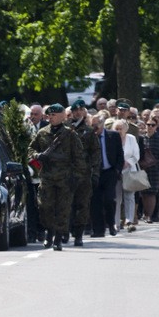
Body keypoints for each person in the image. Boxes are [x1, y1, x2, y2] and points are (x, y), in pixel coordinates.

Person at [28, 103, 85, 249]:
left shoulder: (70, 134)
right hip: (46, 176)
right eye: (49, 115)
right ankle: (49, 231)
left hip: (65, 178)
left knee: (63, 209)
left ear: (62, 116)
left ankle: (58, 238)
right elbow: (30, 149)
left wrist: (77, 178)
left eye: (54, 115)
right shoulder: (42, 132)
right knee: (44, 207)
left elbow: (79, 158)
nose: (51, 118)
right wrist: (37, 155)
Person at [67, 99, 100, 246]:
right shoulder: (65, 129)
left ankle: (79, 234)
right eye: (75, 110)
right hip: (66, 173)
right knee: (66, 205)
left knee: (82, 205)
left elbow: (95, 154)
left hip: (84, 174)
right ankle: (65, 232)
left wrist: (95, 173)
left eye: (80, 110)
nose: (78, 113)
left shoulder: (89, 131)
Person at [89, 114, 124, 237]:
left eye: (96, 125)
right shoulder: (89, 137)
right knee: (95, 201)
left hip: (110, 172)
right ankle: (98, 230)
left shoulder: (113, 136)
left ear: (102, 124)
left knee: (109, 199)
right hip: (95, 173)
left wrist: (117, 170)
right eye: (91, 125)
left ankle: (111, 224)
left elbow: (120, 154)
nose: (94, 128)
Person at [114, 119, 139, 230]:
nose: (119, 131)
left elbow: (136, 155)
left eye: (121, 129)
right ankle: (116, 223)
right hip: (116, 171)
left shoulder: (131, 139)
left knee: (129, 196)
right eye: (117, 129)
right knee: (117, 198)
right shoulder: (112, 138)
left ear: (125, 129)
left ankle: (129, 221)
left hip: (129, 170)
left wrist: (127, 162)